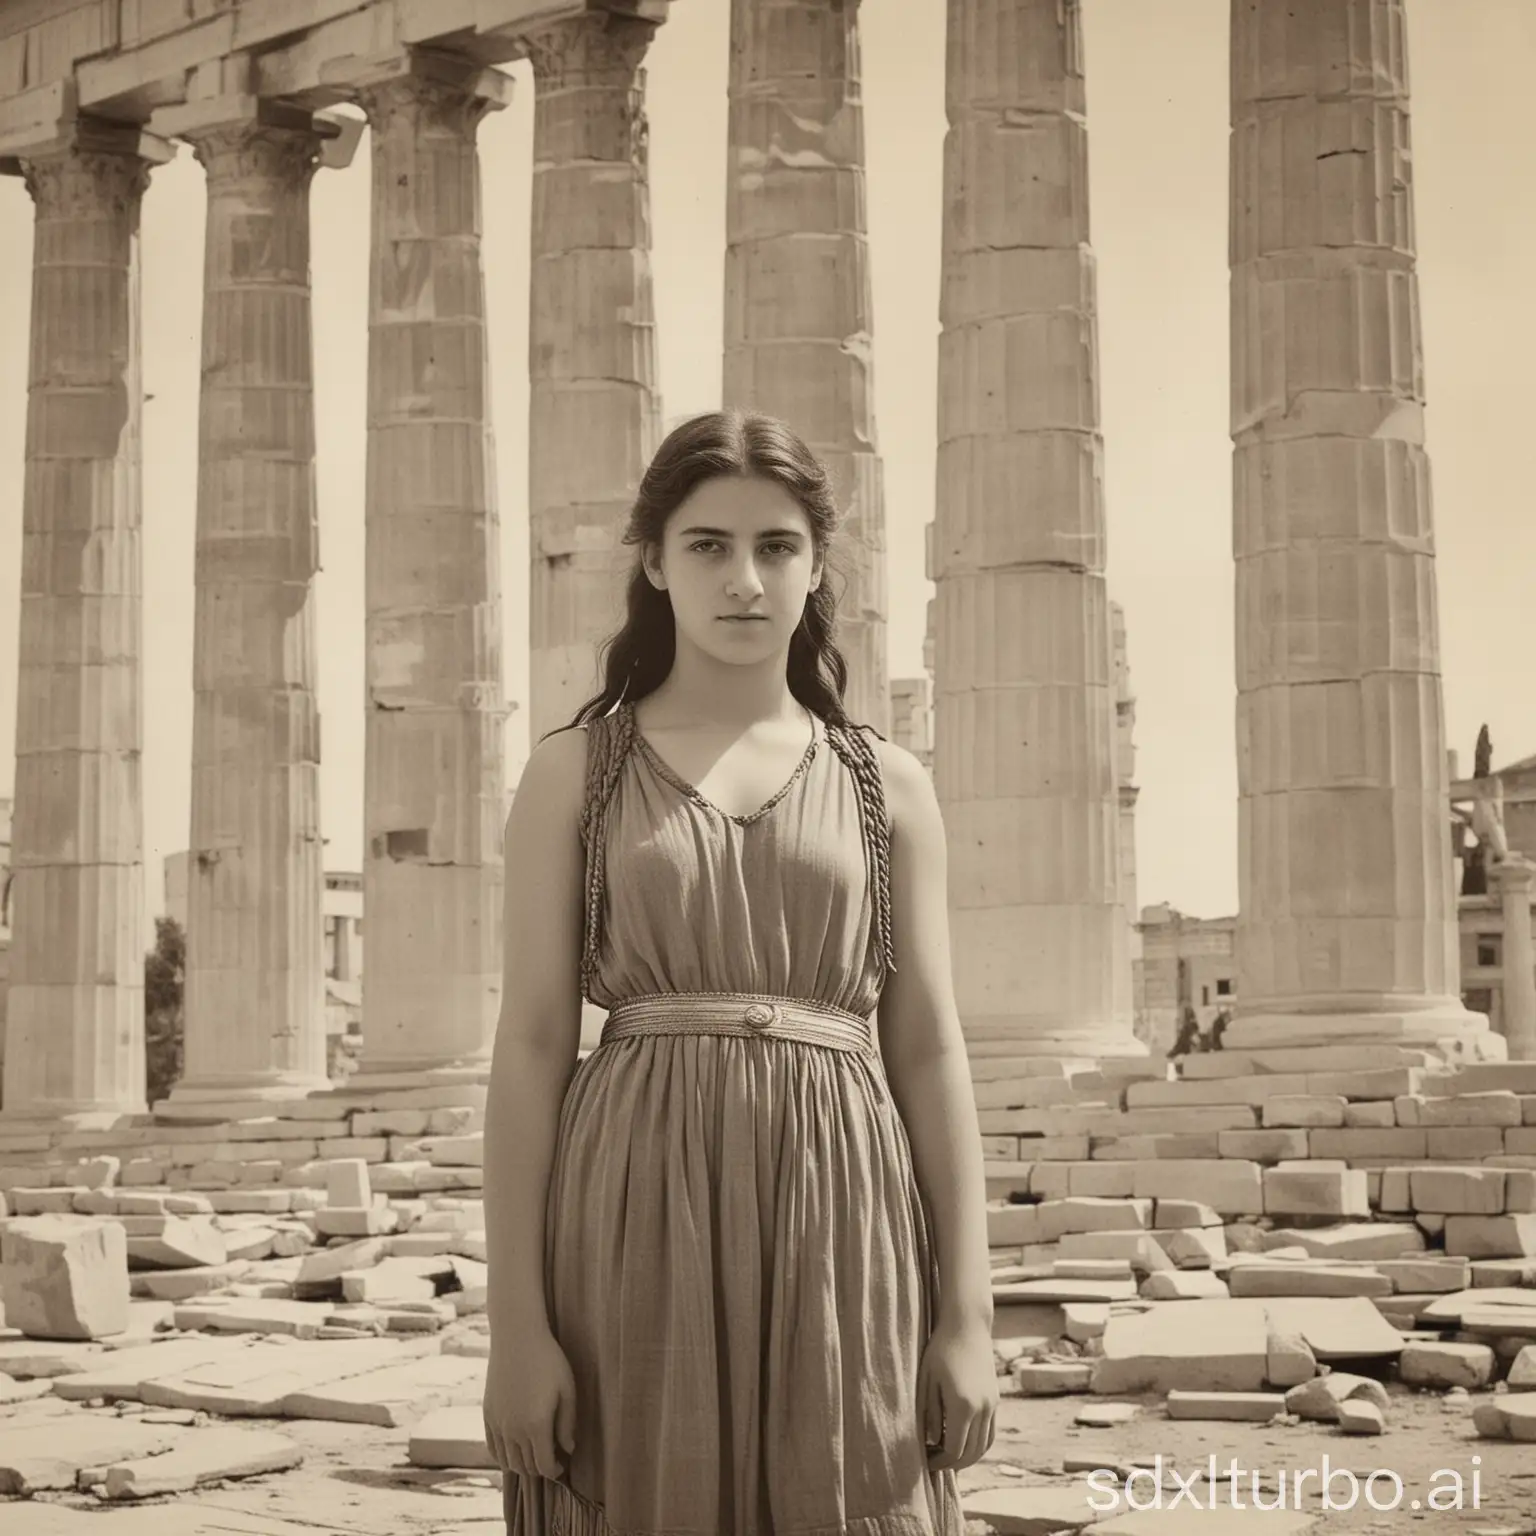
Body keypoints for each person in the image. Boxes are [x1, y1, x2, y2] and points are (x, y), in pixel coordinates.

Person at [482, 409, 997, 1536]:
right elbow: (529, 1045)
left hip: (844, 1204)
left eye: (776, 547)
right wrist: (514, 1324)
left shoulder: (889, 782)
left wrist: (968, 1313)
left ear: (817, 572)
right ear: (656, 563)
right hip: (630, 1204)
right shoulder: (574, 770)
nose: (744, 579)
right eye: (708, 545)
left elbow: (928, 1047)